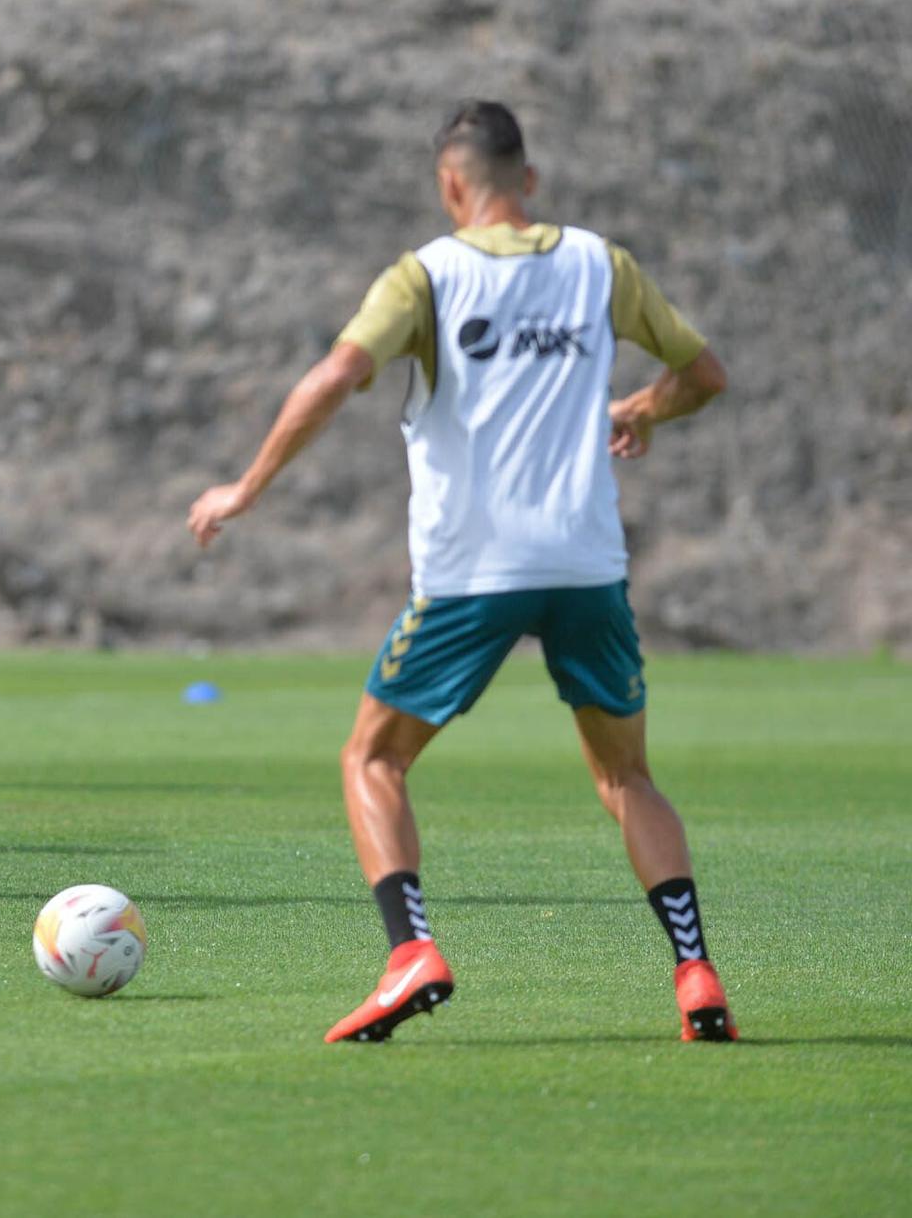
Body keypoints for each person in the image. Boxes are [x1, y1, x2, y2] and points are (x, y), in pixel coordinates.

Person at [188, 101, 737, 1044]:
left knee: (373, 756)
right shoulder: (601, 263)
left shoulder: (426, 277)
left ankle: (411, 951)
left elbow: (330, 378)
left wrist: (245, 486)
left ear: (450, 185)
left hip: (474, 571)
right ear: (528, 181)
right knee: (626, 779)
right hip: (586, 563)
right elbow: (705, 373)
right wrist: (644, 405)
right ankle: (696, 974)